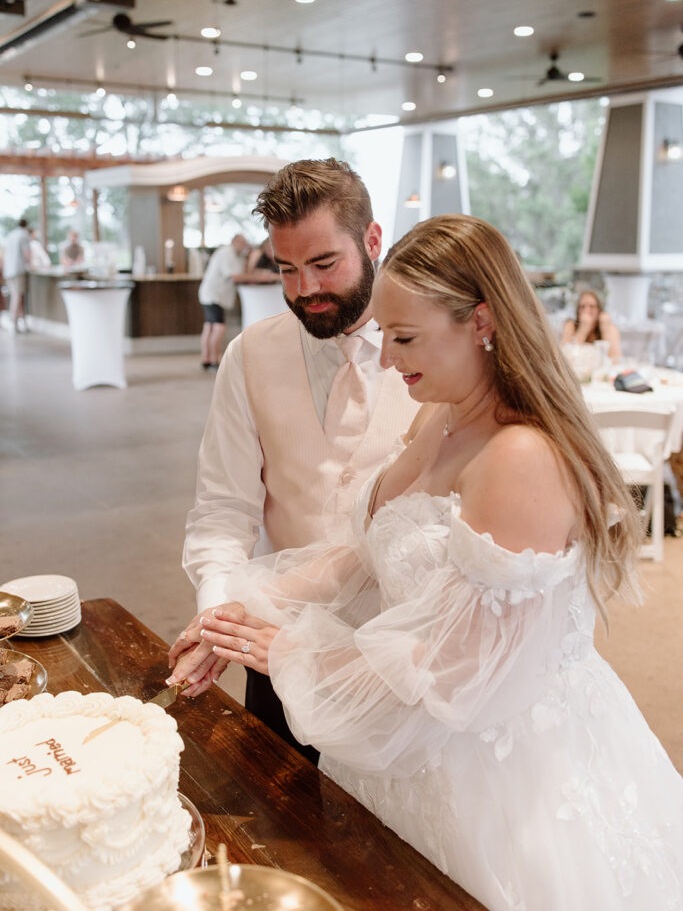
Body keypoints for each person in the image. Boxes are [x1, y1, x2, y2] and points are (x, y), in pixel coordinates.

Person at [171, 214, 683, 910]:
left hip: (500, 776)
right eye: (384, 333)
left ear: (482, 322)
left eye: (404, 337)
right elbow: (362, 551)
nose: (386, 359)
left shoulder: (519, 459)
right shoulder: (438, 412)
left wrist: (289, 646)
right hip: (409, 749)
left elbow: (458, 673)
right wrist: (240, 610)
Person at [168, 158, 418, 759]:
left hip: (394, 660)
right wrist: (221, 620)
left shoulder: (435, 351)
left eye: (324, 264)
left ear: (373, 240)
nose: (304, 289)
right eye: (287, 269)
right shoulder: (249, 355)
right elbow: (222, 513)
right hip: (273, 645)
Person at [197, 233, 251, 369]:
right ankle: (214, 361)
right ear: (235, 241)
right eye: (242, 243)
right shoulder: (227, 253)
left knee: (209, 327)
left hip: (211, 294)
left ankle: (206, 360)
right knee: (218, 328)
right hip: (214, 295)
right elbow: (234, 277)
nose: (244, 246)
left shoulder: (233, 255)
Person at [561, 288, 621, 361]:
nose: (586, 310)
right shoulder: (570, 325)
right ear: (577, 310)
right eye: (582, 306)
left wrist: (605, 330)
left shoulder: (610, 327)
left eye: (591, 306)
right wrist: (583, 329)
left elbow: (615, 359)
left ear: (599, 309)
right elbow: (566, 357)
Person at [2, 218, 31, 333]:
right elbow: (27, 253)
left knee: (18, 296)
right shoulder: (24, 235)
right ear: (26, 226)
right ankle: (13, 323)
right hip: (18, 270)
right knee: (17, 296)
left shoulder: (10, 235)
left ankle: (22, 322)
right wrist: (31, 264)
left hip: (8, 271)